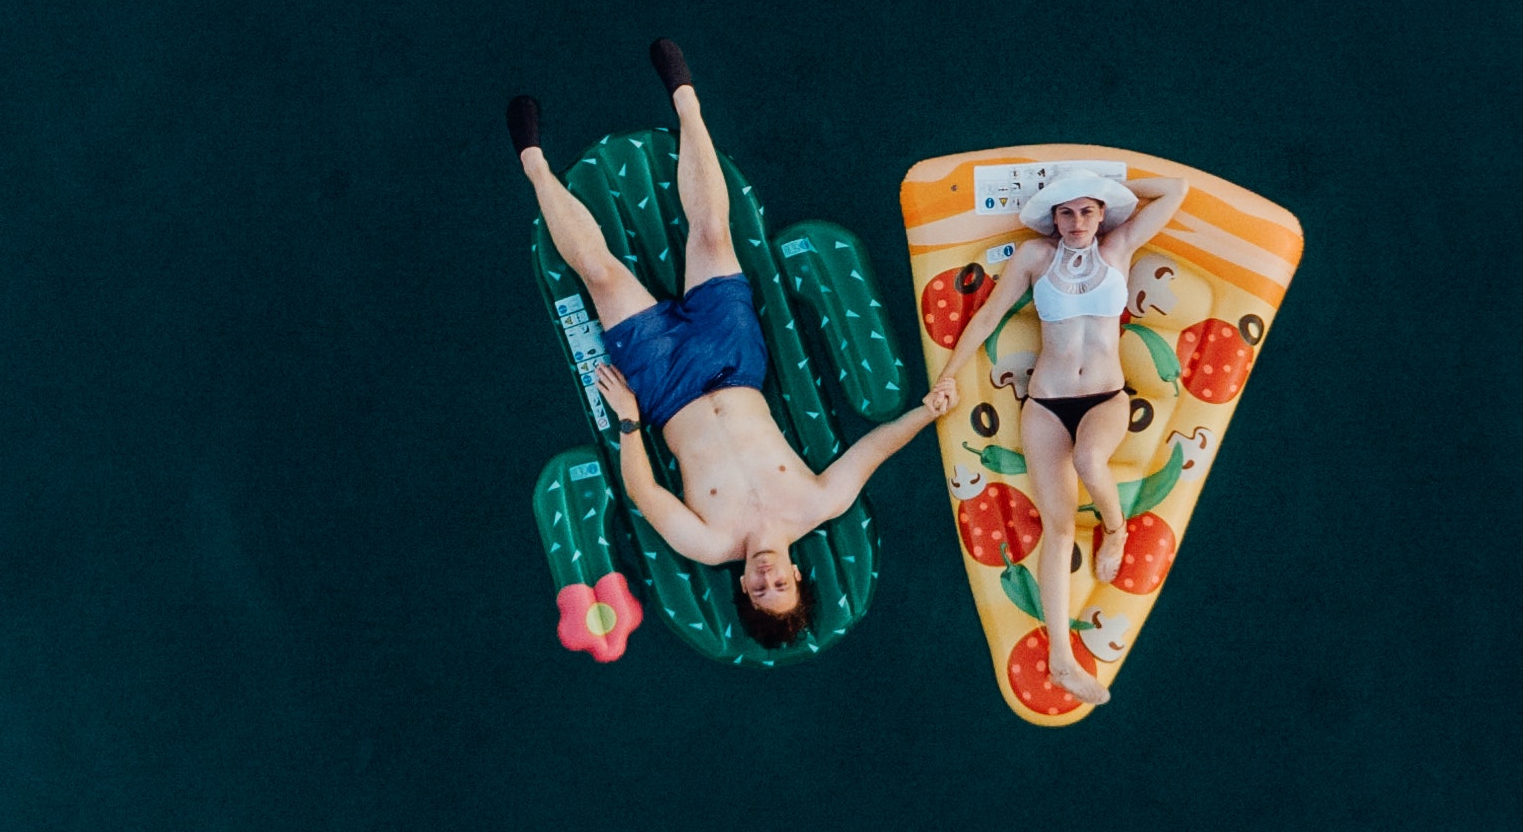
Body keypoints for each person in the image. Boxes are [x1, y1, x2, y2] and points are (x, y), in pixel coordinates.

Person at [509, 41, 956, 649]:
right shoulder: (817, 504)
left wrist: (630, 422)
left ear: (743, 588)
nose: (768, 577)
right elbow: (873, 450)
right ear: (798, 575)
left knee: (602, 276)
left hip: (663, 388)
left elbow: (644, 492)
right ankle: (685, 99)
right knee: (714, 235)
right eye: (782, 585)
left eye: (760, 590)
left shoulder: (708, 543)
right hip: (735, 362)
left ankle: (534, 163)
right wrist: (927, 413)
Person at [939, 161, 1191, 706]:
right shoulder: (1035, 257)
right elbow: (987, 318)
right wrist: (947, 376)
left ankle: (1115, 529)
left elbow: (1176, 190)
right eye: (1067, 212)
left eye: (1087, 211)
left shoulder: (1119, 247)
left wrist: (1108, 185)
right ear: (1053, 217)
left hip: (1105, 398)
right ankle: (1060, 660)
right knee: (1056, 528)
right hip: (1046, 405)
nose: (1077, 222)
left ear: (1102, 215)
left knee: (1088, 462)